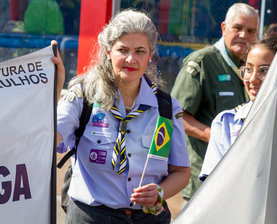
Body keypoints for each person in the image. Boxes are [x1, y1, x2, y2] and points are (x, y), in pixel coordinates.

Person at [53, 9, 190, 224]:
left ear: (150, 55)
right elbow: (48, 140)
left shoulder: (166, 107)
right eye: (122, 49)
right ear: (108, 51)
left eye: (140, 51)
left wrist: (159, 192)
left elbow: (181, 171)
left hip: (147, 218)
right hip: (91, 217)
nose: (131, 59)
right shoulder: (83, 96)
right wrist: (53, 91)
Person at [171, 3, 259, 202]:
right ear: (223, 28)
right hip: (204, 181)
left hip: (240, 181)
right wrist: (216, 135)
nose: (244, 35)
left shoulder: (253, 68)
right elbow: (177, 115)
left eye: (250, 31)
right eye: (238, 28)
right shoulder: (202, 62)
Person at [199, 33, 277, 182]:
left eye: (264, 71)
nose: (253, 79)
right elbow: (212, 185)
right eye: (248, 69)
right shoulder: (226, 123)